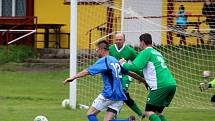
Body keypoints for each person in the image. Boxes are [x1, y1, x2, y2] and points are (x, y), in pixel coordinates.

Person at [64, 40, 146, 121]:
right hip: (120, 95)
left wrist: (73, 77)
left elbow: (87, 71)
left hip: (109, 93)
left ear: (101, 49)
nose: (97, 52)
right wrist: (143, 80)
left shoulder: (104, 60)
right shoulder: (115, 60)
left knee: (90, 114)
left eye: (97, 50)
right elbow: (129, 73)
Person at [119, 33, 177, 121]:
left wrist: (123, 63)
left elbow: (135, 66)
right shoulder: (157, 52)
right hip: (171, 84)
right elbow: (144, 71)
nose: (139, 45)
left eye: (140, 42)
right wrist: (137, 75)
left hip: (160, 86)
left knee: (148, 112)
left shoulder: (146, 51)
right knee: (158, 113)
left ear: (142, 42)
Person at [109, 33, 144, 118]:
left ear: (124, 40)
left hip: (125, 76)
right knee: (123, 96)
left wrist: (141, 76)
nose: (118, 41)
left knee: (122, 92)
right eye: (116, 39)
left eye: (120, 39)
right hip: (114, 76)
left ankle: (113, 116)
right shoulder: (111, 49)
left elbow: (137, 63)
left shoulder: (130, 50)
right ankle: (140, 113)